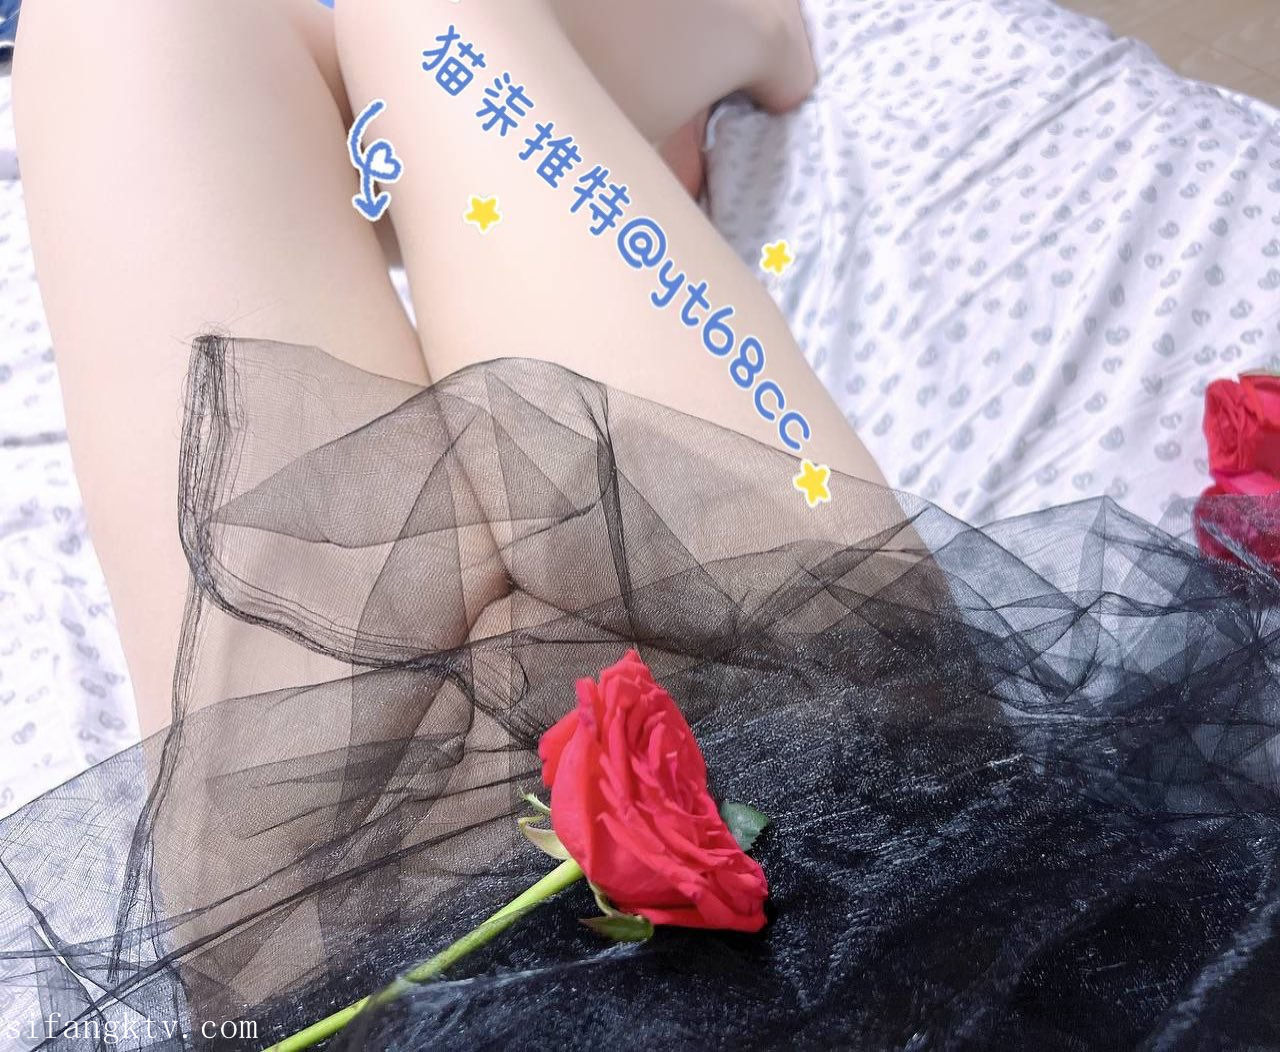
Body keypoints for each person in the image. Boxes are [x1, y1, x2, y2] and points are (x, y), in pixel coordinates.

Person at [12, 0, 886, 737]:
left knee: (114, 18)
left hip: (333, 837)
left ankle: (400, 146)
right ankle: (735, 35)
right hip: (812, 737)